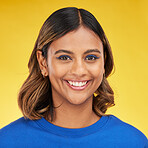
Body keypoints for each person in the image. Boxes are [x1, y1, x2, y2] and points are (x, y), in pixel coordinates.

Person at [0, 7, 147, 148]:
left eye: (90, 57)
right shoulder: (7, 141)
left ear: (104, 61)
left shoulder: (133, 142)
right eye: (64, 57)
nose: (79, 70)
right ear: (43, 62)